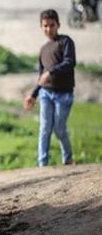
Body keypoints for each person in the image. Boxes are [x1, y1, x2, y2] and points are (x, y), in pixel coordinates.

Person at [23, 9, 76, 167]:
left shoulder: (66, 42)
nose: (48, 29)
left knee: (59, 129)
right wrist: (33, 95)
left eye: (52, 25)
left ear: (58, 25)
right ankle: (42, 164)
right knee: (44, 128)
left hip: (64, 95)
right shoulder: (43, 49)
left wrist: (51, 72)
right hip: (46, 94)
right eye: (45, 26)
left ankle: (68, 159)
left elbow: (70, 62)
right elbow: (41, 76)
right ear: (41, 27)